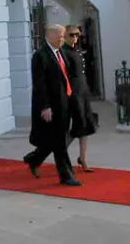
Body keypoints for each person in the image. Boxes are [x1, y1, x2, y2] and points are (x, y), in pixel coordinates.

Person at [23, 24, 81, 187]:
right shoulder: (40, 56)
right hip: (52, 105)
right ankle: (66, 175)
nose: (63, 39)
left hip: (65, 101)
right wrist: (45, 106)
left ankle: (33, 159)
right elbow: (39, 84)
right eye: (61, 36)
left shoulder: (60, 52)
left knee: (56, 139)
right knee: (60, 141)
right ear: (51, 36)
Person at [63, 25, 98, 172]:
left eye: (77, 35)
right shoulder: (63, 52)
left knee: (87, 125)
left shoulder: (75, 50)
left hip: (83, 91)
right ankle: (60, 152)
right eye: (72, 35)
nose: (75, 38)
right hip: (74, 92)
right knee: (77, 126)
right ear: (65, 36)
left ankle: (83, 158)